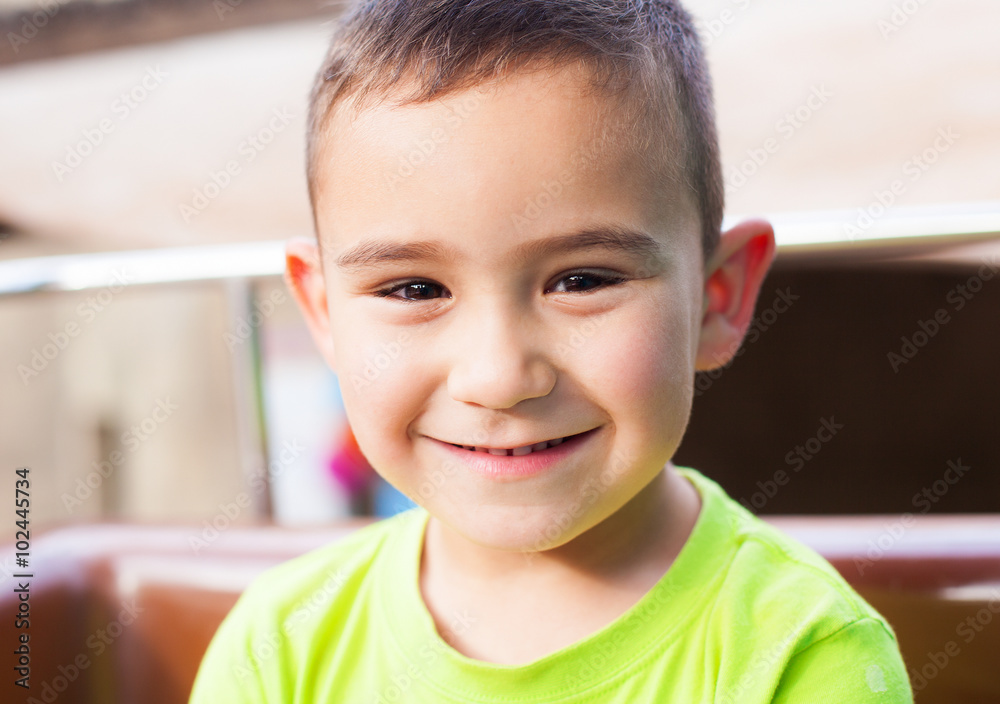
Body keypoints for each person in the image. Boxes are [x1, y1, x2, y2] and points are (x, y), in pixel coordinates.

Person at [189, 0, 913, 701]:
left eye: (582, 280)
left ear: (716, 297)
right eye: (413, 289)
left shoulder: (800, 655)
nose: (499, 377)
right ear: (323, 312)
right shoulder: (278, 648)